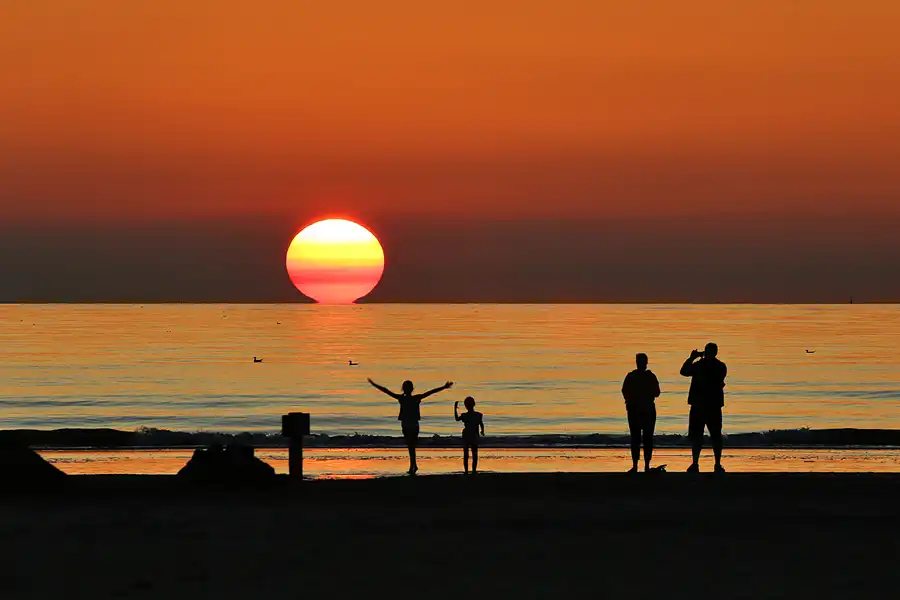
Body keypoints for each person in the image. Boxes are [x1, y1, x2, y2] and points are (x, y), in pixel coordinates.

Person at [367, 378, 453, 475]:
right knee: (412, 446)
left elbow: (386, 391)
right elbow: (431, 392)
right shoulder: (415, 398)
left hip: (406, 424)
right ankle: (413, 465)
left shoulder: (402, 398)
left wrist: (374, 384)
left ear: (403, 389)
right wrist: (444, 387)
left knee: (410, 446)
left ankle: (413, 465)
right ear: (412, 389)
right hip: (414, 424)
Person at [680, 343, 728, 473]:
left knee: (712, 436)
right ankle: (701, 463)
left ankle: (711, 464)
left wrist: (692, 358)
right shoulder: (716, 366)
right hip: (705, 405)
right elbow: (683, 372)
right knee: (703, 436)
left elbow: (684, 371)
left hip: (706, 405)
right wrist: (692, 358)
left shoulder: (714, 366)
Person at [621, 353, 661, 473]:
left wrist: (631, 400)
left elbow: (625, 391)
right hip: (643, 409)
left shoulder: (633, 376)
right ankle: (643, 465)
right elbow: (657, 393)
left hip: (639, 410)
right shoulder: (649, 376)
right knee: (644, 438)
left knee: (638, 438)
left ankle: (638, 465)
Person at [454, 397, 485, 474]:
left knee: (466, 454)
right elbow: (481, 424)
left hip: (467, 434)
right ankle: (473, 471)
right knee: (474, 454)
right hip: (473, 434)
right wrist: (482, 431)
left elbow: (457, 419)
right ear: (474, 404)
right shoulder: (478, 415)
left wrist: (455, 409)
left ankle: (466, 471)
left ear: (465, 406)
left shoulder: (464, 415)